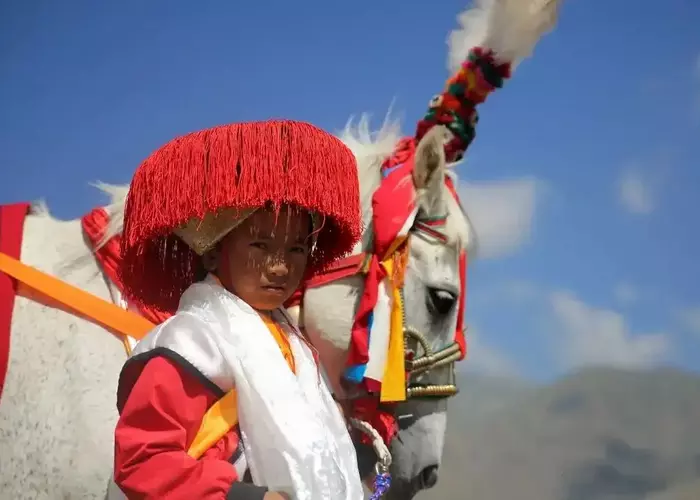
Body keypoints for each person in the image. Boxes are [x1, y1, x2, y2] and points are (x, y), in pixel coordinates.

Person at [110, 120, 366, 499]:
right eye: (260, 246)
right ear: (213, 251)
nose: (280, 267)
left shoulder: (298, 349)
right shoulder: (192, 342)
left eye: (296, 249)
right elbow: (142, 460)